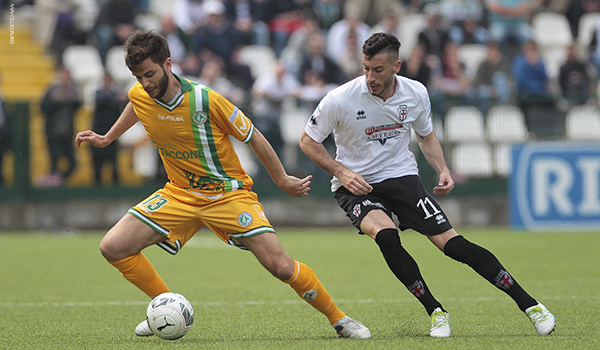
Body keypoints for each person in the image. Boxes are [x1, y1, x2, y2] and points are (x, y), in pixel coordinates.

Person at [75, 30, 370, 339]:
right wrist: (108, 137)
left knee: (281, 266)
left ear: (168, 64)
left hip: (227, 195)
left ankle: (340, 319)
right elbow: (137, 105)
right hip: (179, 194)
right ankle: (167, 305)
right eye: (138, 76)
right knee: (113, 247)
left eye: (149, 74)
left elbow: (253, 135)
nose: (145, 83)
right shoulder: (139, 93)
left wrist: (281, 178)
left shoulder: (205, 99)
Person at [299, 32, 556, 338]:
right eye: (365, 68)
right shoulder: (340, 99)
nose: (369, 76)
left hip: (402, 178)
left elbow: (426, 136)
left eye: (378, 70)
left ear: (397, 65)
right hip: (356, 185)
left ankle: (532, 306)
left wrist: (442, 168)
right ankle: (436, 312)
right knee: (387, 236)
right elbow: (307, 141)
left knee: (454, 246)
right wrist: (341, 172)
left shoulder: (415, 93)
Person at [40, 66, 82, 186]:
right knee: (54, 162)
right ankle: (54, 184)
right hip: (54, 133)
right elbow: (43, 108)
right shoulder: (51, 91)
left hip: (67, 134)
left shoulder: (72, 92)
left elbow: (78, 106)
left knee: (73, 164)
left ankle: (58, 181)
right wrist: (54, 100)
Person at [91, 74, 126, 186]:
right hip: (99, 131)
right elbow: (102, 100)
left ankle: (115, 185)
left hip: (112, 133)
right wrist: (116, 98)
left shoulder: (113, 95)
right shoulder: (100, 94)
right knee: (97, 164)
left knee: (113, 162)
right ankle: (98, 185)